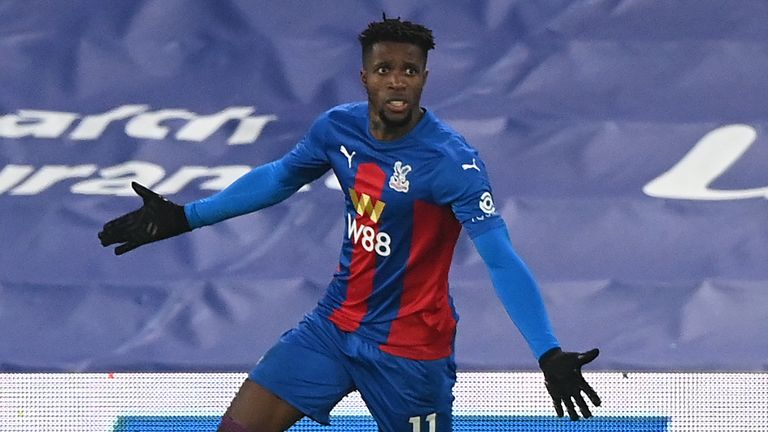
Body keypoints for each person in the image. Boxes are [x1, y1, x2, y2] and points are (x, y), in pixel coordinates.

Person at [99, 15, 601, 432]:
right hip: (334, 327)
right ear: (366, 77)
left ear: (424, 77)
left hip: (410, 351)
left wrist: (547, 352)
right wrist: (186, 217)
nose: (397, 80)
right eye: (385, 69)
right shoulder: (337, 128)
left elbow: (501, 259)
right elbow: (279, 178)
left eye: (410, 70)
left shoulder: (451, 162)